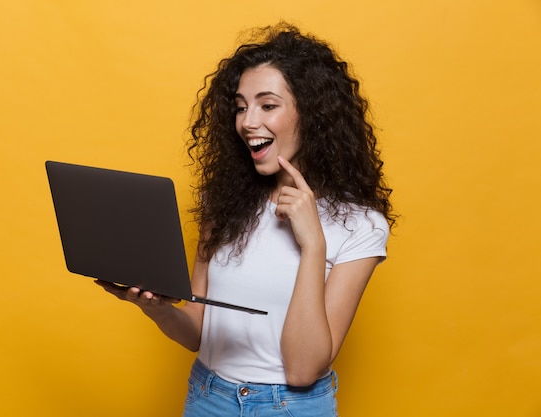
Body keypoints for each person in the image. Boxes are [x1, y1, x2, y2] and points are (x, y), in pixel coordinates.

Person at [96, 22, 395, 417]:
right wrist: (159, 310)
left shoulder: (361, 225)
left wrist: (313, 245)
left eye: (267, 105)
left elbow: (304, 369)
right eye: (240, 106)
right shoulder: (222, 202)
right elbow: (198, 332)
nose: (247, 122)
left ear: (314, 114)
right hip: (208, 397)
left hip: (290, 407)